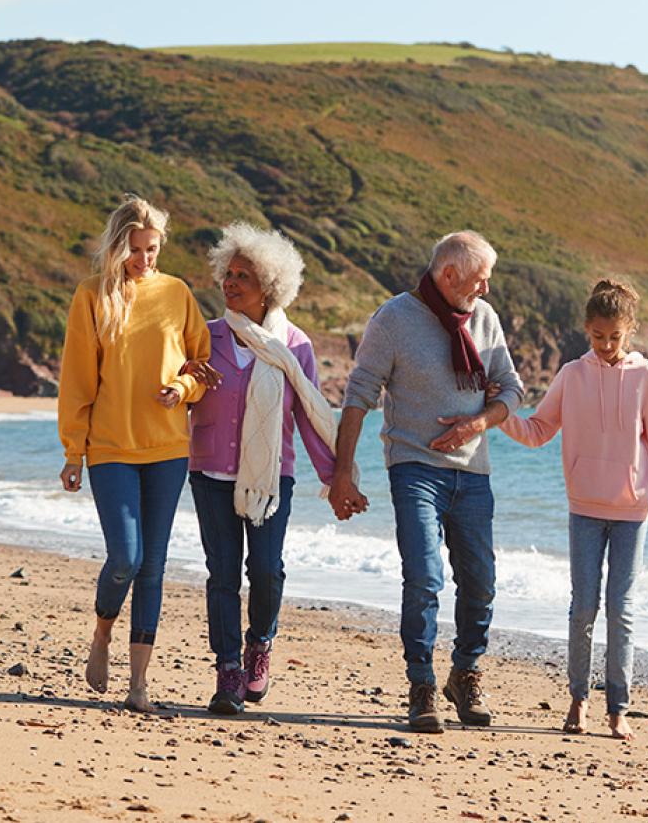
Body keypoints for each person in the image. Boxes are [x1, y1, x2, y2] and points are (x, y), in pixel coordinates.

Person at [329, 230, 524, 734]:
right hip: (414, 467)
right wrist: (342, 473)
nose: (485, 290)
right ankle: (421, 684)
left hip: (473, 471)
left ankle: (465, 673)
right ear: (449, 275)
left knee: (480, 582)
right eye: (480, 281)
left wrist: (477, 423)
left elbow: (513, 389)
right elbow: (359, 396)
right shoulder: (393, 319)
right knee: (424, 576)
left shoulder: (484, 319)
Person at [498, 279, 648, 741]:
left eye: (615, 338)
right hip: (584, 507)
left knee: (620, 610)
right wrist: (498, 417)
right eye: (598, 337)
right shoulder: (571, 375)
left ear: (630, 332)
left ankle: (618, 708)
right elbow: (540, 428)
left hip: (631, 513)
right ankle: (578, 700)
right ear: (587, 331)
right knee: (583, 607)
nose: (605, 346)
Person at [57, 194, 216, 713]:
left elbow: (200, 362)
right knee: (126, 557)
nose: (145, 260)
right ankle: (102, 634)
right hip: (110, 447)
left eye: (152, 249)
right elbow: (77, 380)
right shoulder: (92, 296)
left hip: (168, 447)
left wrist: (182, 390)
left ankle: (139, 687)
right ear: (117, 246)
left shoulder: (176, 293)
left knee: (154, 565)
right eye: (136, 250)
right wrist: (72, 451)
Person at [187, 222, 346, 715]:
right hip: (210, 472)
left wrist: (335, 478)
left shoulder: (294, 343)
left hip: (271, 477)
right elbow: (180, 394)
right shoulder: (204, 336)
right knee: (222, 574)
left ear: (270, 288)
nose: (231, 283)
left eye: (244, 277)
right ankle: (228, 669)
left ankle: (261, 644)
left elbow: (307, 411)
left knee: (266, 571)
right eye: (228, 274)